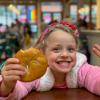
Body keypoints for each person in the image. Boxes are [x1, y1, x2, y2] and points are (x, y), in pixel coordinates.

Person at [1, 20, 100, 100]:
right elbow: (18, 90)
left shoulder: (82, 70)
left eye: (70, 49)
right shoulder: (36, 75)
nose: (65, 54)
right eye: (56, 49)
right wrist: (8, 86)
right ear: (43, 53)